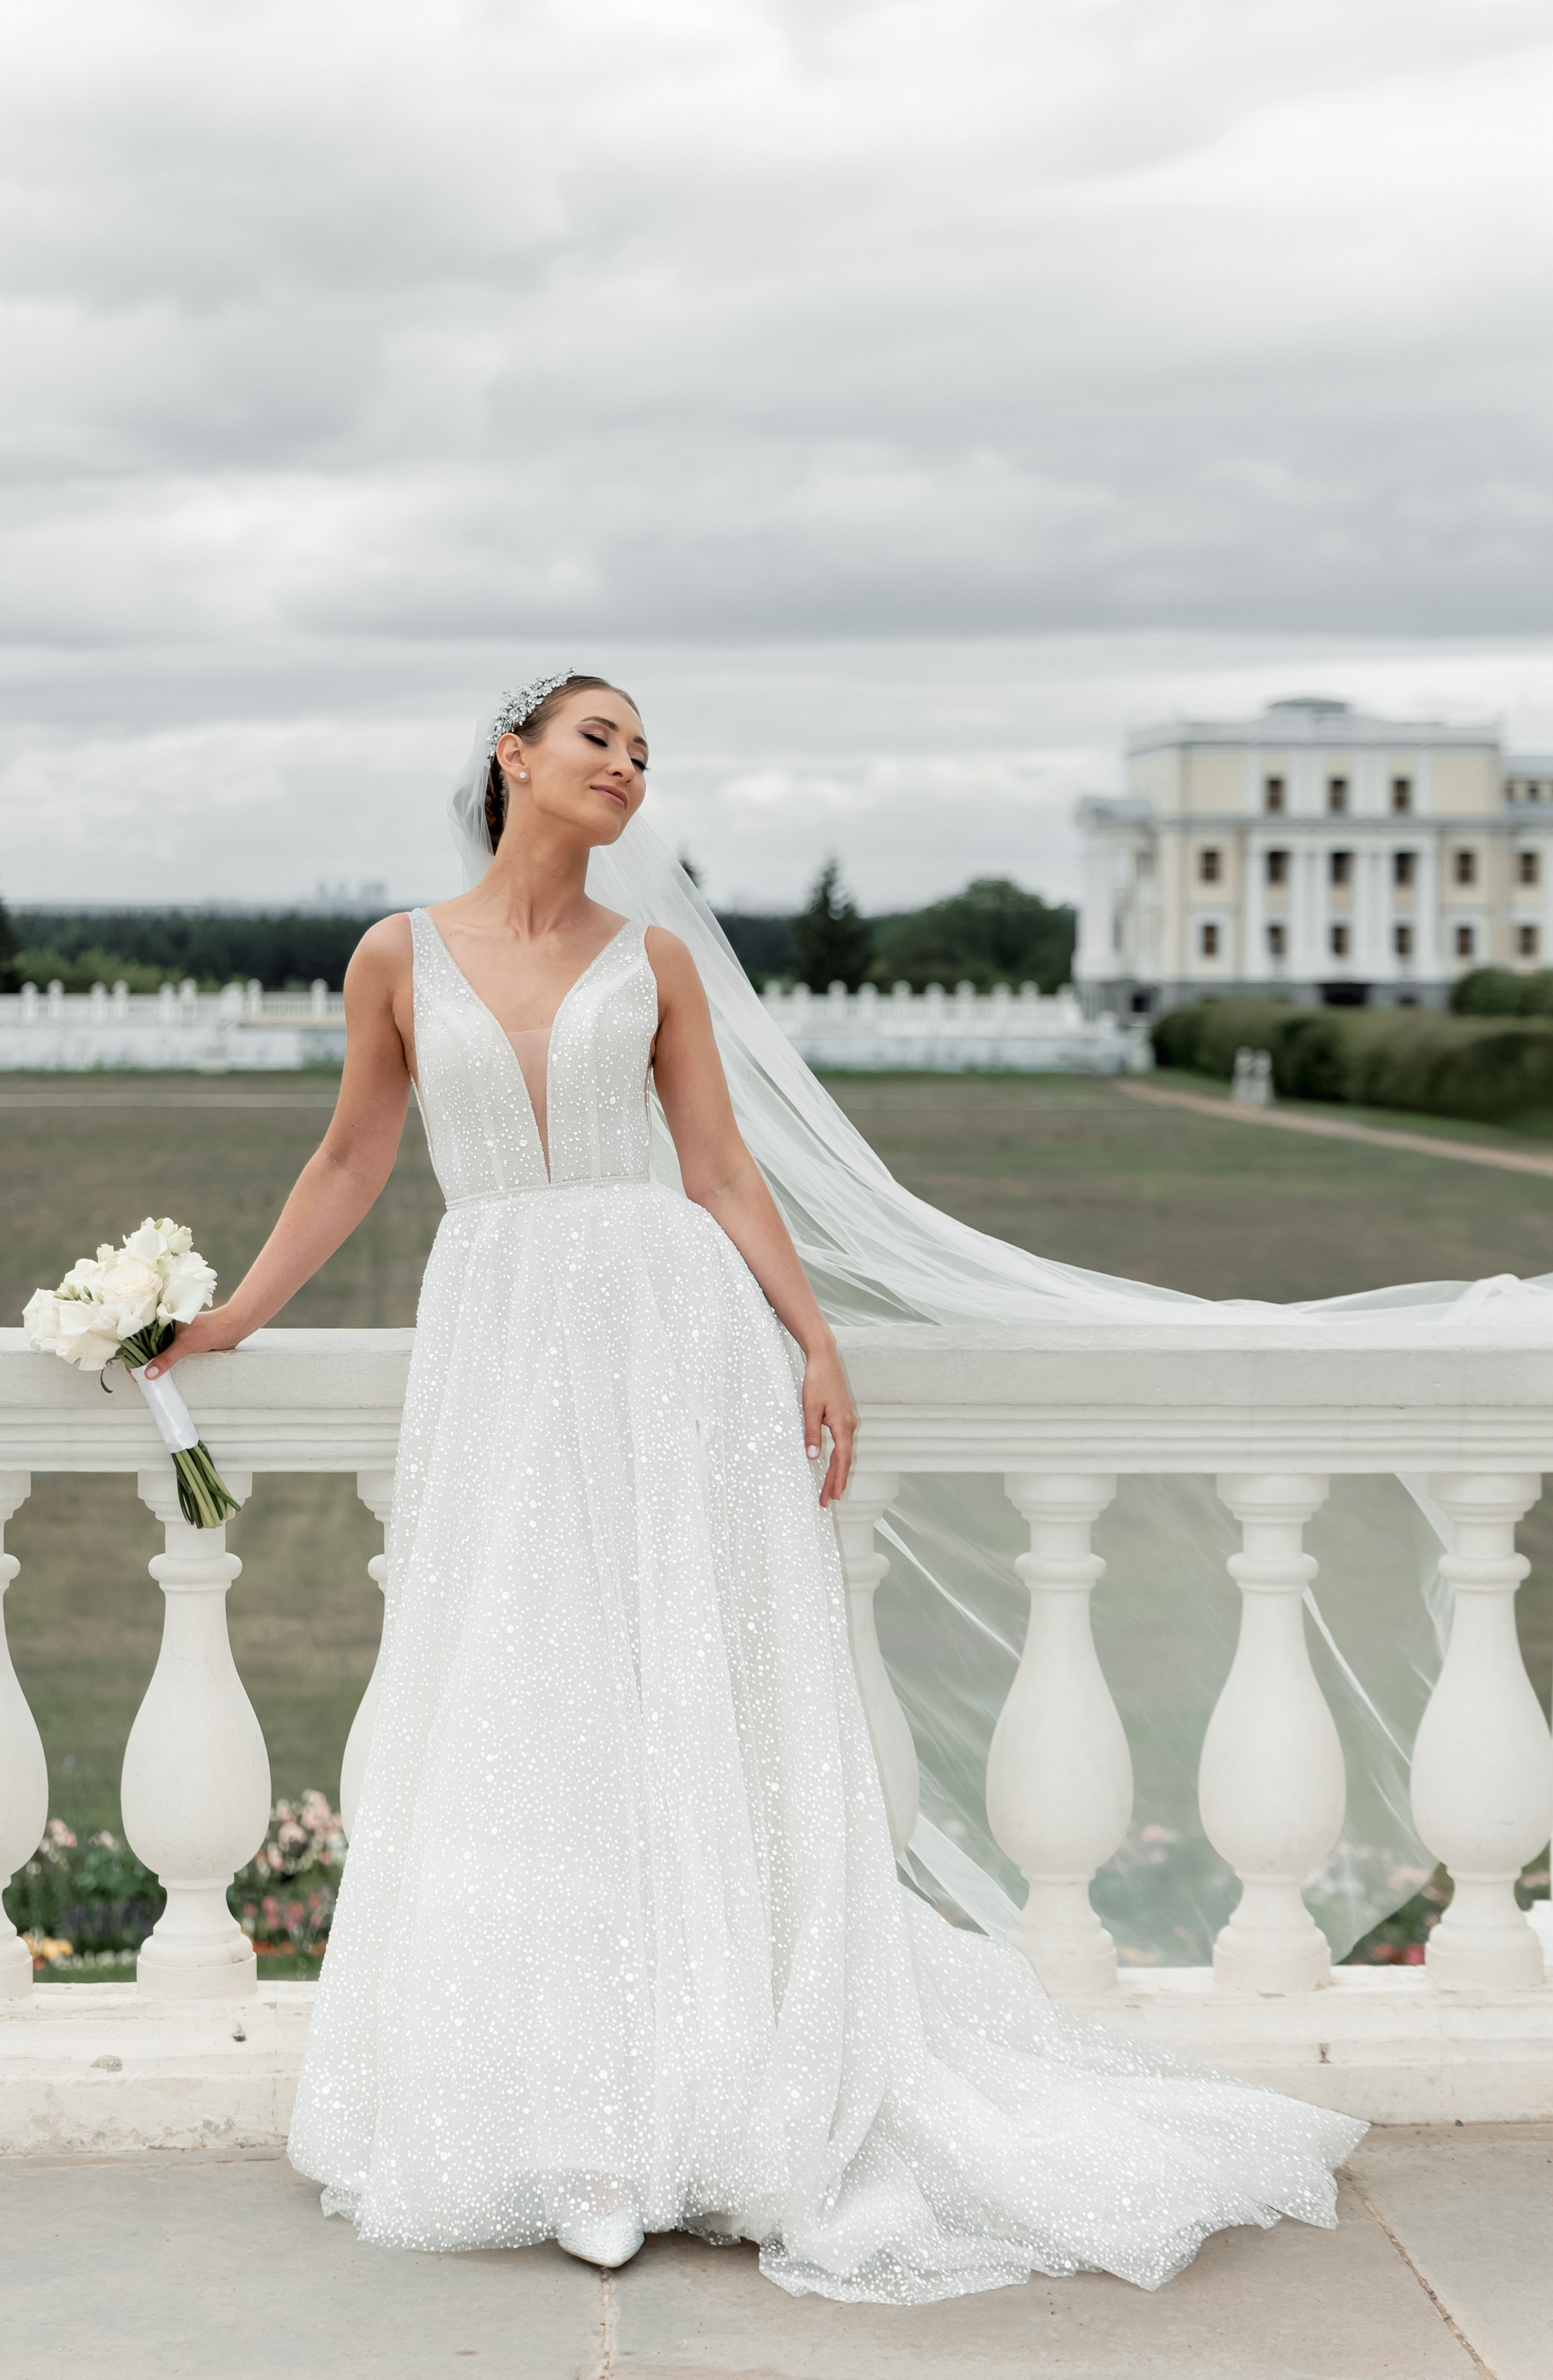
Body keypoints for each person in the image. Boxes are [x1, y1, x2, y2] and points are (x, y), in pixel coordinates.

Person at [146, 671, 1364, 2304]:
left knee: (674, 1700)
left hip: (671, 1342)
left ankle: (684, 2103)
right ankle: (568, 2111)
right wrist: (228, 1318)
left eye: (647, 754)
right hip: (504, 1344)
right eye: (600, 740)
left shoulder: (649, 963)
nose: (630, 770)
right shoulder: (395, 954)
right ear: (513, 755)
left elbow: (717, 1166)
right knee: (525, 1700)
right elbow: (355, 1158)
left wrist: (811, 1339)